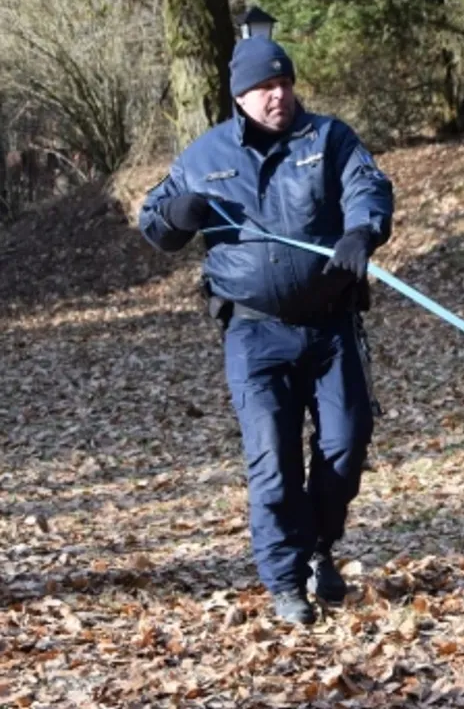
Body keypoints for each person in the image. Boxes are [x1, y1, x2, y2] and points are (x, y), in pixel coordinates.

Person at [138, 36, 394, 625]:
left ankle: (320, 549)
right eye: (262, 87)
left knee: (346, 446)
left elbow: (368, 186)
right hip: (254, 336)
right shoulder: (203, 156)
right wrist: (177, 217)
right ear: (239, 95)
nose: (276, 95)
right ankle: (285, 582)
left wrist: (362, 232)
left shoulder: (329, 138)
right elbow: (154, 220)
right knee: (272, 463)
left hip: (332, 328)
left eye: (283, 83)